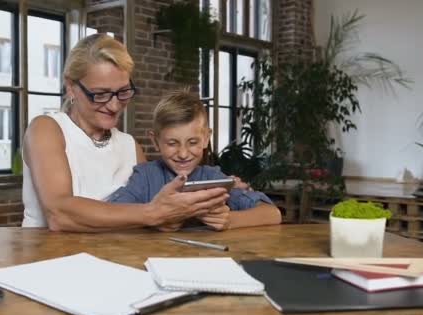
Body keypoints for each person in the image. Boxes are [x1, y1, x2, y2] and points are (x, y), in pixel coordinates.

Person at [22, 34, 229, 232]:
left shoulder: (130, 146)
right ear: (70, 87)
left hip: (115, 256)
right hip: (49, 259)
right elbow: (60, 214)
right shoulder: (47, 129)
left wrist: (215, 193)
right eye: (101, 94)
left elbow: (152, 207)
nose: (114, 105)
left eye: (123, 92)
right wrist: (153, 214)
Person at [107, 90, 282, 231]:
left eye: (193, 142)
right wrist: (153, 219)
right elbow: (112, 215)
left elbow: (272, 214)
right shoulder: (144, 176)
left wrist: (229, 220)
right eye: (172, 143)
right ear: (155, 142)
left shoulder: (214, 178)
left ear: (206, 138)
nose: (183, 154)